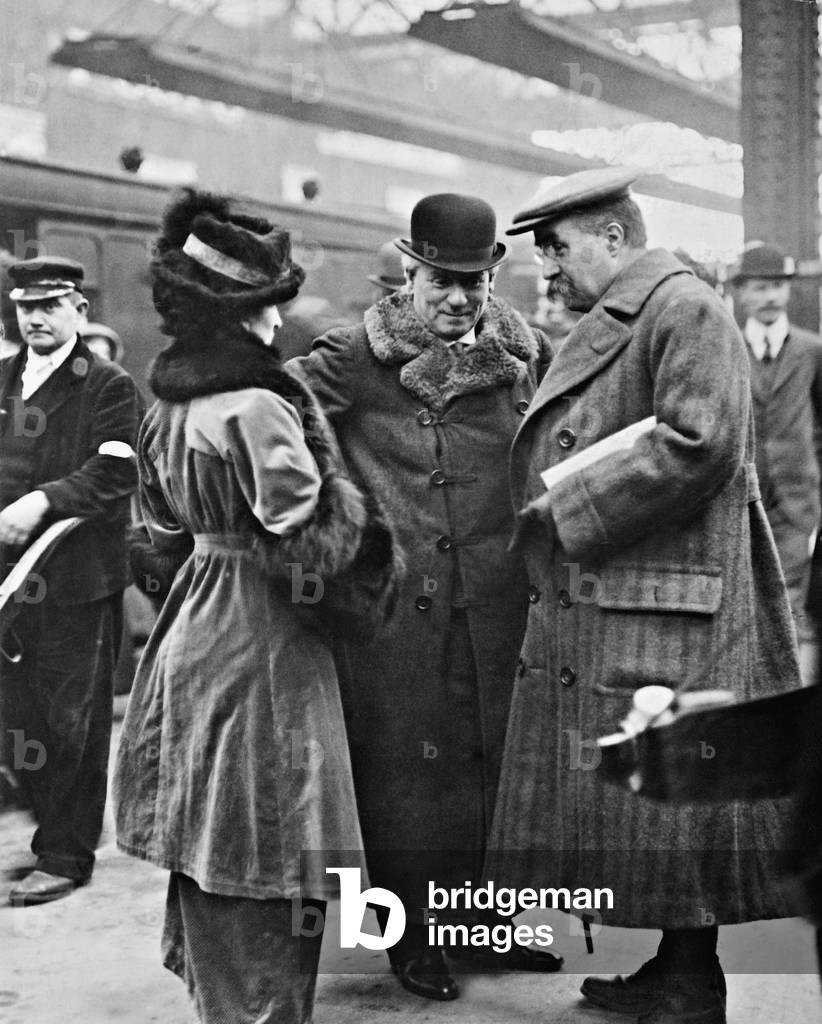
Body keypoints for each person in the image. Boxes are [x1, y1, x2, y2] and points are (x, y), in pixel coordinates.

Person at [487, 167, 802, 1024]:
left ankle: (693, 985)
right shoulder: (645, 310)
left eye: (558, 250)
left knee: (672, 800)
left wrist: (570, 505)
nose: (549, 272)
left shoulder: (682, 308)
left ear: (614, 238)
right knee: (657, 804)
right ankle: (678, 968)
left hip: (668, 598)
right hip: (646, 588)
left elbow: (701, 441)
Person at [113, 189, 376, 1024]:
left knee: (207, 816)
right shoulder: (258, 405)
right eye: (269, 305)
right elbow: (306, 535)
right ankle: (262, 1008)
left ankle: (221, 998)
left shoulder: (170, 406)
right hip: (262, 629)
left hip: (195, 618)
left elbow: (155, 527)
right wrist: (369, 560)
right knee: (273, 826)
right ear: (243, 314)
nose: (277, 321)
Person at [291, 193, 558, 1001]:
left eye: (472, 283)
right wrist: (342, 528)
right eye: (441, 279)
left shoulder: (527, 352)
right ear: (409, 270)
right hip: (402, 611)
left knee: (494, 765)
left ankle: (482, 925)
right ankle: (411, 938)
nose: (456, 298)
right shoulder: (353, 355)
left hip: (500, 600)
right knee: (409, 777)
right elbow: (279, 418)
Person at [0, 256, 141, 905]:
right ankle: (53, 832)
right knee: (17, 719)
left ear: (79, 311)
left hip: (76, 584)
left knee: (71, 725)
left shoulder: (106, 384)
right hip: (9, 588)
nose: (35, 318)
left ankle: (66, 853)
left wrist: (44, 500)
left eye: (50, 305)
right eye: (26, 307)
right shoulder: (5, 378)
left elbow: (116, 473)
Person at [730, 242, 822, 682]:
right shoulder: (726, 349)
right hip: (742, 502)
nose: (770, 297)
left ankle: (796, 708)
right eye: (760, 287)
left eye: (778, 287)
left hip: (797, 506)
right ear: (742, 294)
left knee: (795, 603)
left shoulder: (811, 351)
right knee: (743, 600)